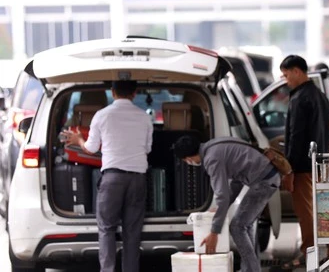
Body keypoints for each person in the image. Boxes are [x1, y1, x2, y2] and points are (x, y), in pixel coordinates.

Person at [60, 81, 153, 272]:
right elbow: (148, 149)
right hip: (137, 179)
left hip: (112, 180)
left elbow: (92, 148)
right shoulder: (144, 117)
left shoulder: (102, 115)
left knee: (107, 229)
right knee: (132, 232)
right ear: (135, 94)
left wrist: (78, 140)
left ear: (113, 92)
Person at [173, 136, 280, 272]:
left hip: (264, 181)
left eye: (186, 161)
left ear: (188, 158)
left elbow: (221, 196)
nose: (189, 163)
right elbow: (236, 181)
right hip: (266, 177)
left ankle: (252, 270)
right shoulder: (213, 146)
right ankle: (248, 268)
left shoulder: (211, 159)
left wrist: (214, 232)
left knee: (237, 227)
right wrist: (219, 208)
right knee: (245, 225)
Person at [275, 55, 329, 270]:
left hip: (303, 165)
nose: (285, 80)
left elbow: (296, 135)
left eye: (286, 75)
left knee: (307, 213)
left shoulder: (300, 98)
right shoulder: (319, 95)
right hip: (319, 161)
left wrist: (289, 169)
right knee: (322, 209)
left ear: (297, 71)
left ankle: (309, 253)